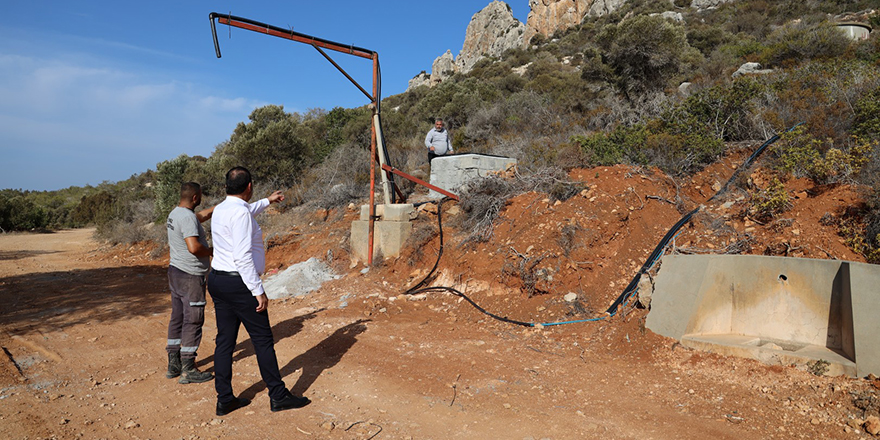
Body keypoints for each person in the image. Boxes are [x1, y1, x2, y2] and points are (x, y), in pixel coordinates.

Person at [208, 166, 310, 416]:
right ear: (249, 186)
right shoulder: (240, 213)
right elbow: (242, 257)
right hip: (239, 283)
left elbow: (246, 210)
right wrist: (257, 290)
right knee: (263, 341)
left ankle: (224, 399)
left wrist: (268, 200)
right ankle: (278, 396)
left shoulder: (221, 209)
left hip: (218, 280)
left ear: (226, 187)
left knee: (224, 342)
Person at [165, 182, 215, 384]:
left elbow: (200, 216)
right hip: (190, 276)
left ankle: (173, 364)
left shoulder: (176, 213)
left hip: (176, 272)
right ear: (195, 197)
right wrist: (212, 251)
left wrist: (220, 207)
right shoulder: (187, 218)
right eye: (200, 196)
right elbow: (194, 247)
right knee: (193, 319)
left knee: (177, 317)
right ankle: (188, 369)